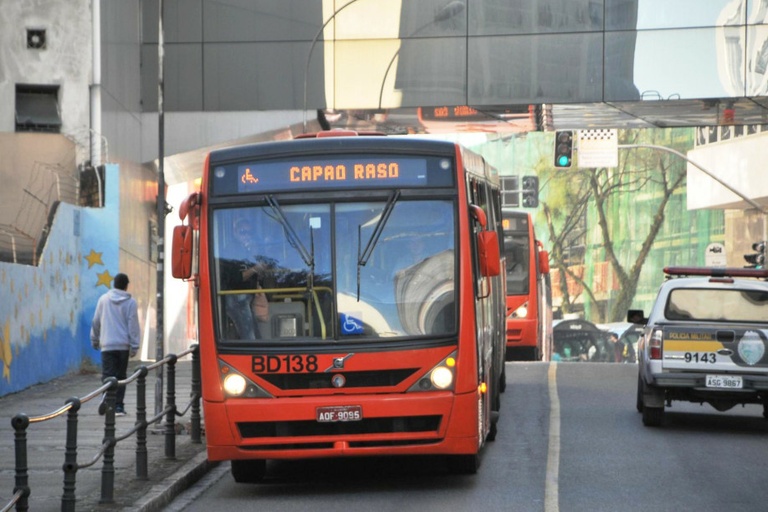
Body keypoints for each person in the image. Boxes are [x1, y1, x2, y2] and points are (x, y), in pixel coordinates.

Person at [91, 273, 140, 416]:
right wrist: (134, 345)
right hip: (122, 346)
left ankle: (106, 398)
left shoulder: (103, 300)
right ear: (126, 285)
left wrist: (94, 339)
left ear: (114, 284)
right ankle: (118, 406)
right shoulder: (131, 302)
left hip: (107, 344)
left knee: (107, 375)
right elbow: (133, 325)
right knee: (120, 376)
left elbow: (96, 321)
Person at [221, 216, 268, 339]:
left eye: (249, 233)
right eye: (243, 232)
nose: (246, 236)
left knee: (256, 334)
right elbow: (236, 278)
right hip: (236, 297)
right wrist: (255, 268)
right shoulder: (231, 250)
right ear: (235, 232)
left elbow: (255, 274)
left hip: (247, 296)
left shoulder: (247, 250)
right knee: (249, 335)